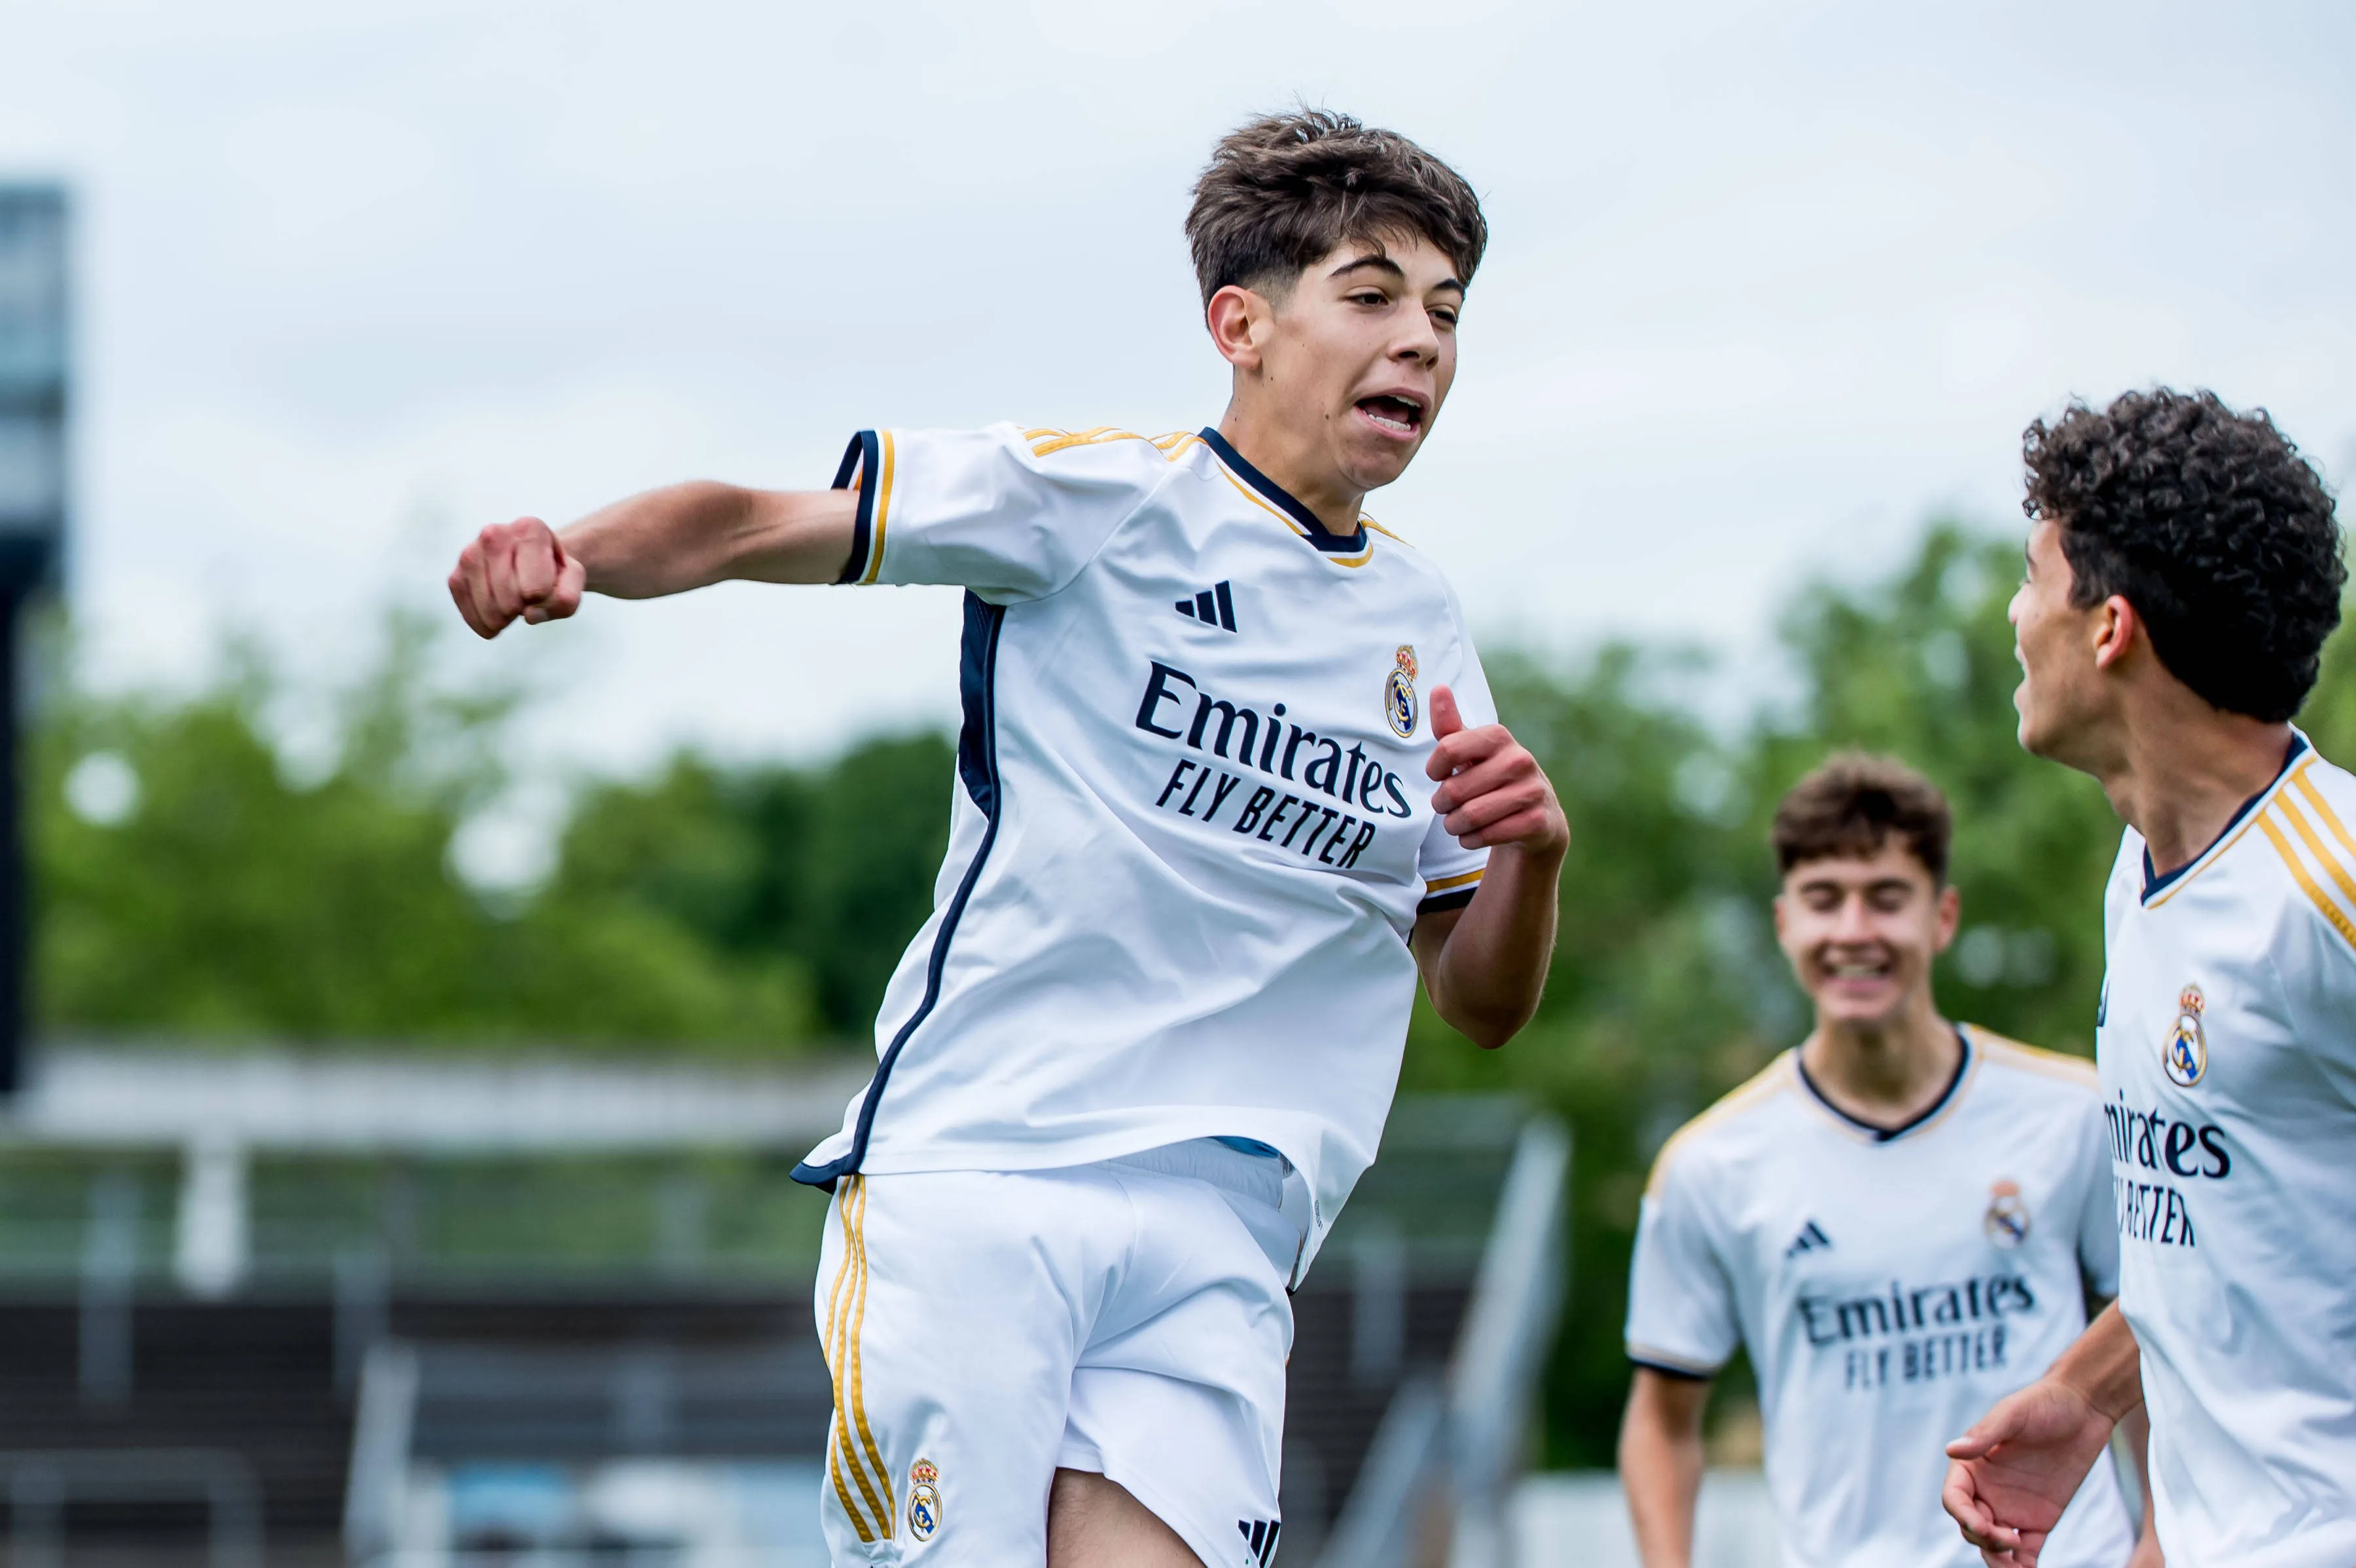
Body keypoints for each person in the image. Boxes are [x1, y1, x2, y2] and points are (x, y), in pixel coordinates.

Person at [445, 110, 1568, 1568]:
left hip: (1231, 1236)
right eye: (1372, 295)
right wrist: (573, 554)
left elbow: (1480, 1001)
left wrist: (1533, 859)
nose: (1419, 339)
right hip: (988, 1180)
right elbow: (749, 523)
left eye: (1446, 312)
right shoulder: (1099, 499)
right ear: (1241, 325)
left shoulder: (1421, 626)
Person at [1942, 387, 2353, 1568]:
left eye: (2032, 576)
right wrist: (2087, 1396)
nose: (2013, 613)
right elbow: (2249, 1231)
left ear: (2109, 629)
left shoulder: (2331, 886)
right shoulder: (2145, 871)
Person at [1620, 754, 2151, 1568]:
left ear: (1943, 916)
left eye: (1887, 896)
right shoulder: (1709, 1164)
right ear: (1784, 922)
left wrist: (2159, 1538)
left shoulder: (2074, 1110)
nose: (1854, 930)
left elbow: (2148, 1335)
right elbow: (1662, 1419)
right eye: (1824, 898)